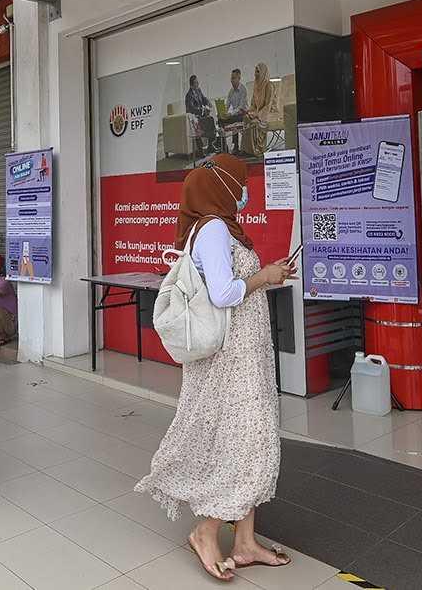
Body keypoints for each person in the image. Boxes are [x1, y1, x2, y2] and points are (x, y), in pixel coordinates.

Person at [136, 154, 295, 581]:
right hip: (231, 360)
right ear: (223, 187)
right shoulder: (213, 229)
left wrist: (267, 274)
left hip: (245, 354)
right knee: (242, 443)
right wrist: (265, 275)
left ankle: (244, 543)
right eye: (241, 184)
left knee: (249, 439)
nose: (246, 192)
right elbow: (225, 293)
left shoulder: (220, 229)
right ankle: (206, 532)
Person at [244, 63, 280, 157]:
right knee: (246, 118)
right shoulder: (256, 87)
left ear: (263, 72)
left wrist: (257, 114)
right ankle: (249, 150)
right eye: (255, 71)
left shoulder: (269, 86)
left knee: (255, 122)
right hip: (260, 113)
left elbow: (268, 105)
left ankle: (259, 149)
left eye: (258, 71)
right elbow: (253, 104)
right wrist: (249, 111)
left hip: (270, 113)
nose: (255, 74)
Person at [184, 74, 218, 157]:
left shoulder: (198, 90)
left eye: (197, 82)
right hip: (194, 117)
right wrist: (202, 110)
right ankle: (200, 150)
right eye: (196, 83)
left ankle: (210, 145)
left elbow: (203, 98)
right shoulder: (189, 95)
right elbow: (191, 108)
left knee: (211, 120)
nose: (198, 84)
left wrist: (208, 102)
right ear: (192, 85)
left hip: (201, 116)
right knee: (199, 124)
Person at [218, 68, 248, 154]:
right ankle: (223, 146)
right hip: (235, 114)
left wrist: (230, 114)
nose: (232, 80)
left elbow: (241, 107)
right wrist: (222, 113)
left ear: (239, 78)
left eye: (234, 78)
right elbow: (227, 104)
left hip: (243, 113)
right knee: (220, 120)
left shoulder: (243, 89)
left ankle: (235, 146)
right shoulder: (231, 91)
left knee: (235, 118)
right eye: (231, 78)